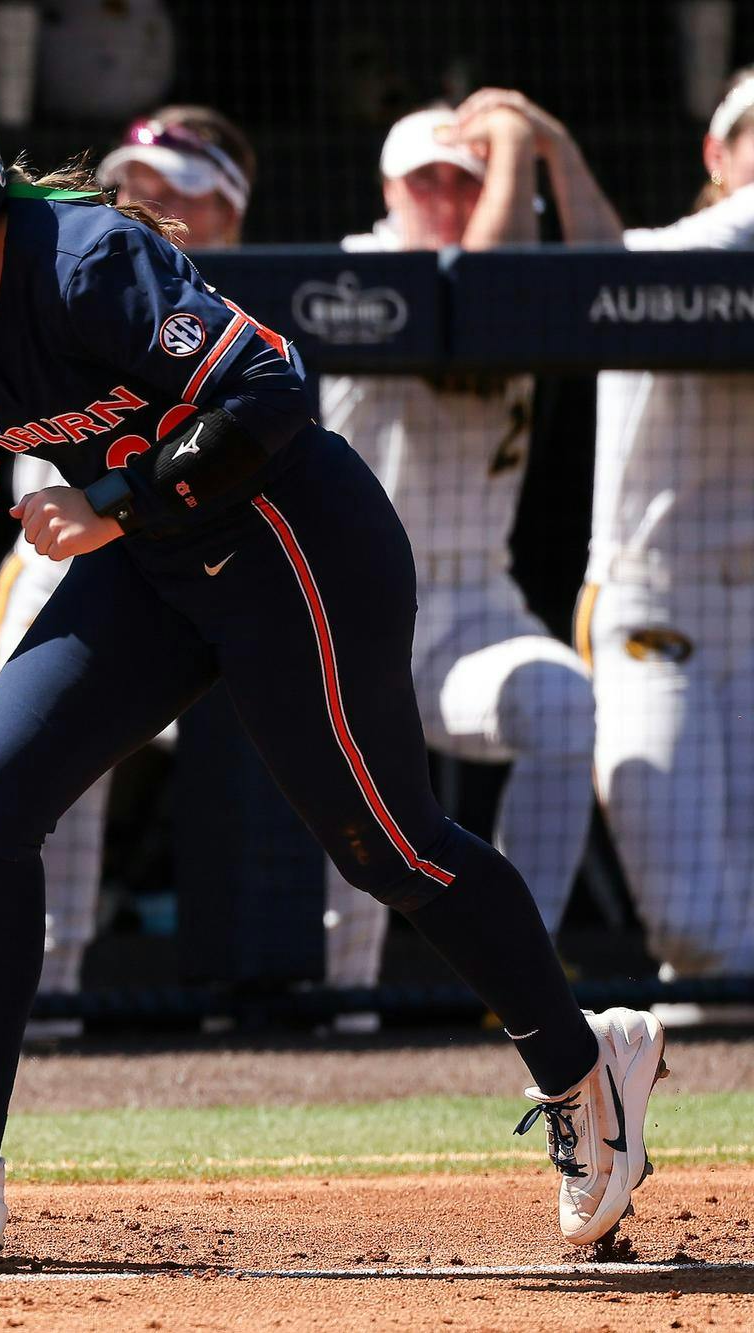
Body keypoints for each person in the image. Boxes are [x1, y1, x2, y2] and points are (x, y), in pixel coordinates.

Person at [0, 67, 665, 1260]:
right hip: (156, 564)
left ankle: (586, 1070)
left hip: (290, 544)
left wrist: (115, 496)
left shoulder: (85, 258)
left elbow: (270, 394)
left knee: (388, 846)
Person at [319, 100, 604, 1016]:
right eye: (424, 178)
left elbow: (604, 268)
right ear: (387, 189)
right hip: (351, 598)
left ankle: (523, 975)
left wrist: (543, 146)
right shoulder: (361, 268)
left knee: (562, 701)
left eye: (465, 178)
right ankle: (338, 1016)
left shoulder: (521, 269)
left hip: (477, 599)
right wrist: (516, 140)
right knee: (351, 808)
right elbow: (476, 287)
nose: (443, 194)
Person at [0, 106, 255, 1039]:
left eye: (184, 187)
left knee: (290, 761)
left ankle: (291, 1001)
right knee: (43, 772)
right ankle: (41, 999)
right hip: (64, 561)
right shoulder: (69, 268)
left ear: (233, 206)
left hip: (219, 555)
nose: (152, 199)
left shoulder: (237, 305)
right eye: (138, 178)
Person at [503, 70, 754, 1025]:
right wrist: (558, 149)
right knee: (695, 927)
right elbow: (603, 264)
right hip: (662, 606)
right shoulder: (659, 259)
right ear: (717, 156)